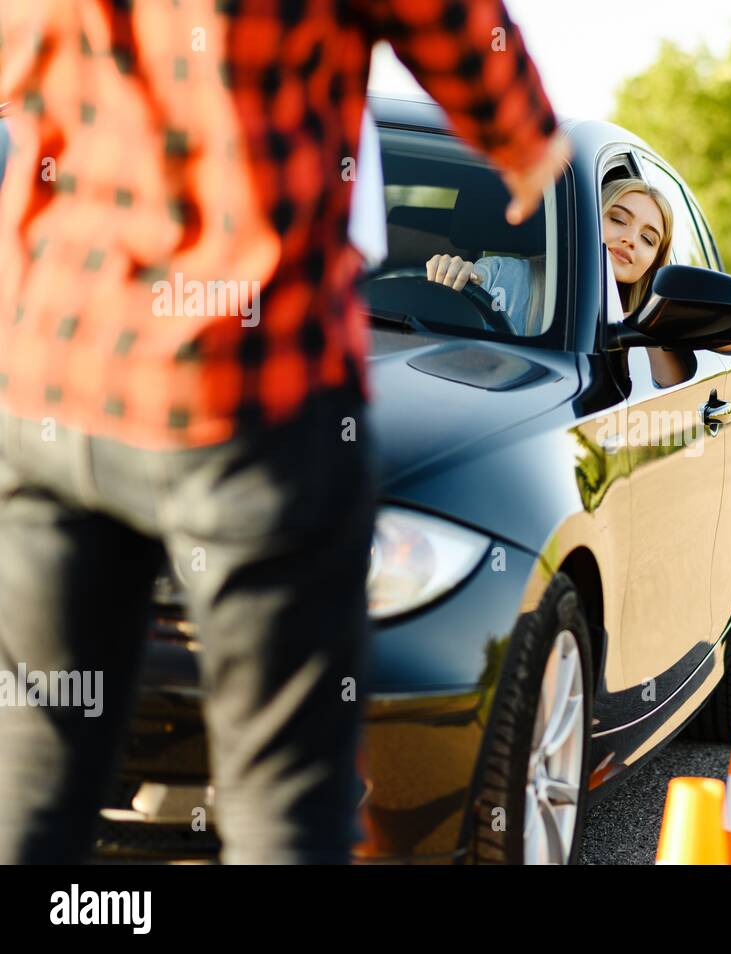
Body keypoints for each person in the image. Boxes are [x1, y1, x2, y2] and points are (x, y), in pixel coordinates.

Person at [0, 1, 568, 864]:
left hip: (53, 373)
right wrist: (523, 139)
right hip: (245, 387)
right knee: (285, 800)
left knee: (35, 773)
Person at [426, 177, 731, 353]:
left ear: (654, 263)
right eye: (618, 219)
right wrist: (446, 276)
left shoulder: (652, 320)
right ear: (585, 222)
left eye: (648, 239)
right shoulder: (506, 274)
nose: (631, 239)